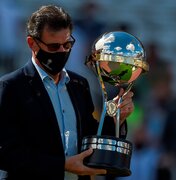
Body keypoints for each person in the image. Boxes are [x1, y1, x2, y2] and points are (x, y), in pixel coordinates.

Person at [0, 5, 134, 180]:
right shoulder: (10, 86)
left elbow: (90, 137)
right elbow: (5, 154)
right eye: (54, 47)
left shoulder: (79, 84)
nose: (63, 51)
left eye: (67, 44)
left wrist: (117, 118)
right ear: (32, 43)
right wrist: (62, 165)